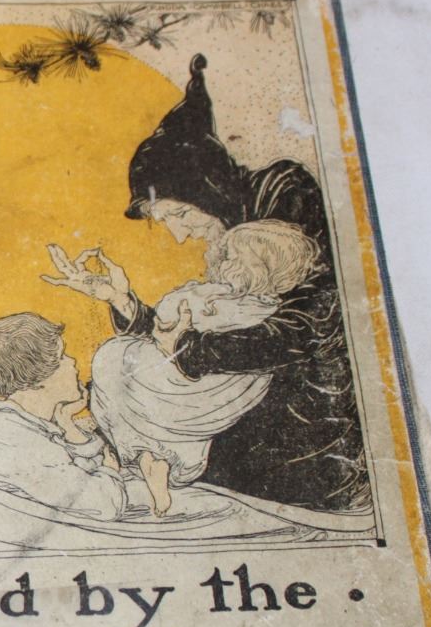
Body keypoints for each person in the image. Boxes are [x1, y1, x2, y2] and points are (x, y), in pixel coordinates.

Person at [44, 53, 370, 513]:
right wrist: (122, 300)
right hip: (241, 414)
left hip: (304, 426)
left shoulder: (284, 198)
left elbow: (302, 329)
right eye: (167, 223)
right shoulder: (231, 230)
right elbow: (208, 325)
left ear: (207, 186)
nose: (180, 235)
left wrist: (185, 350)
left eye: (179, 213)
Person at [84, 221, 322, 515]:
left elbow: (179, 334)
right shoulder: (250, 304)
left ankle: (149, 458)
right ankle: (152, 460)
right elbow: (171, 332)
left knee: (116, 358)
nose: (225, 263)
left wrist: (181, 326)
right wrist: (120, 299)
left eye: (234, 258)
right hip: (200, 386)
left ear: (259, 267)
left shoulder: (248, 309)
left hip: (204, 391)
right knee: (121, 361)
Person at [0, 313, 142, 522]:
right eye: (62, 356)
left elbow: (75, 471)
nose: (72, 361)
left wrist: (68, 425)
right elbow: (104, 504)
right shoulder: (17, 439)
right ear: (37, 378)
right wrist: (110, 471)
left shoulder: (13, 425)